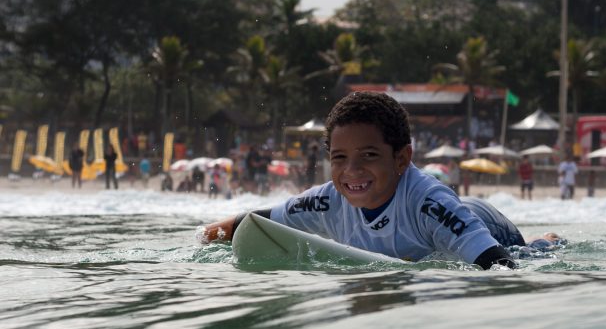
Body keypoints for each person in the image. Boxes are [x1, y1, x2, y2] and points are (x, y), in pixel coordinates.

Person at [199, 92, 520, 270]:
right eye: (339, 158)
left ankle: (545, 239)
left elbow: (500, 265)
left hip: (485, 222)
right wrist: (202, 241)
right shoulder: (326, 200)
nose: (351, 170)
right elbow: (255, 223)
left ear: (401, 158)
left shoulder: (428, 204)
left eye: (368, 155)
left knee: (530, 252)